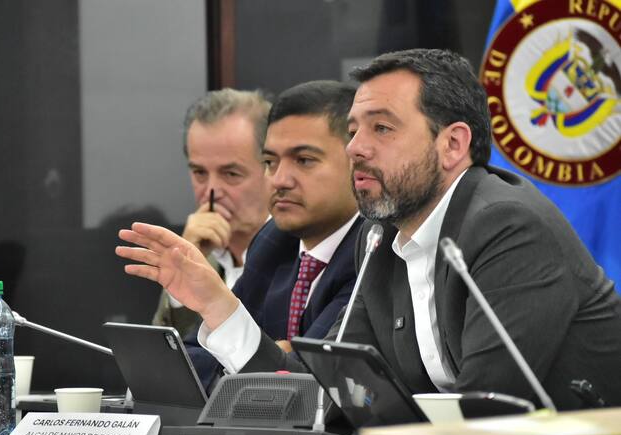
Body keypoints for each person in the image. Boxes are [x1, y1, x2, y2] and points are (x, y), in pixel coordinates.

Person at [118, 50, 621, 410]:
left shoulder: (507, 226)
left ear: (452, 145)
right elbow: (323, 395)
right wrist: (215, 304)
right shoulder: (380, 238)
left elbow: (487, 414)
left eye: (381, 128)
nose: (355, 148)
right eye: (354, 129)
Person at [118, 80, 362, 387]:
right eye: (271, 162)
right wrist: (269, 356)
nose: (280, 179)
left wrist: (254, 357)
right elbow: (170, 372)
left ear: (359, 163)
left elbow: (303, 387)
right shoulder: (274, 243)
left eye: (304, 160)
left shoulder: (374, 252)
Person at [151, 89, 272, 337]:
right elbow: (158, 356)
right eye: (199, 173)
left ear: (271, 169)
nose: (212, 191)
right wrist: (181, 276)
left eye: (231, 174)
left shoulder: (300, 258)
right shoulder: (198, 255)